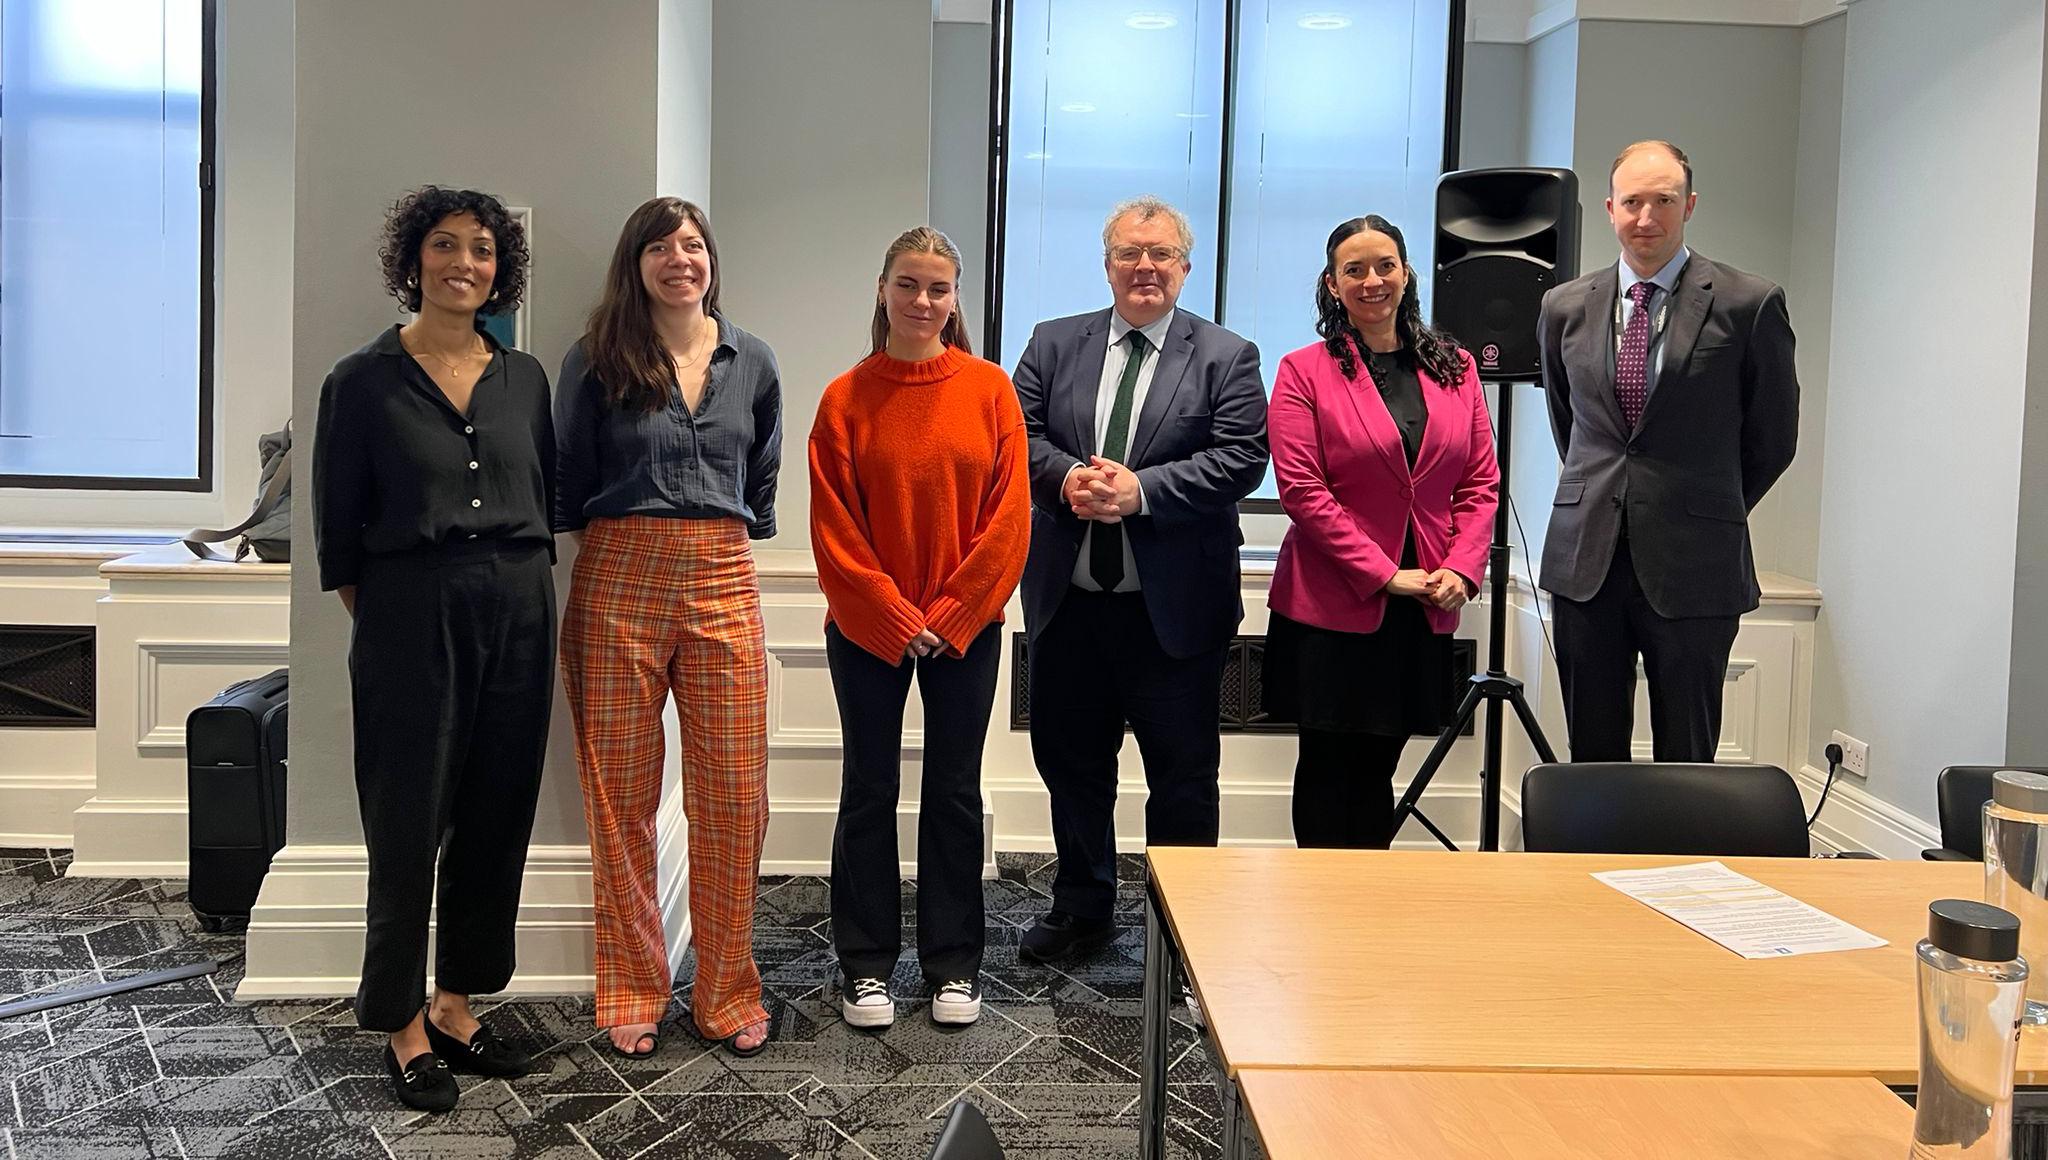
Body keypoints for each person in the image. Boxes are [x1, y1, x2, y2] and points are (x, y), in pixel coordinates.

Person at [312, 186, 553, 1112]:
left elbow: (543, 491)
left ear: (501, 270)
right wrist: (400, 621)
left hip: (521, 607)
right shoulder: (362, 381)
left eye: (482, 249)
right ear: (413, 260)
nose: (465, 263)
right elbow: (340, 542)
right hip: (411, 613)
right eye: (445, 245)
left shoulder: (524, 378)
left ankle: (457, 1004)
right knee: (406, 820)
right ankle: (401, 1022)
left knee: (498, 811)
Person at [1012, 196, 1269, 962]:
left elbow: (1242, 458)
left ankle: (1182, 932)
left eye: (1161, 254)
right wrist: (1068, 479)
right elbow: (1015, 434)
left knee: (1182, 780)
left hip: (1174, 615)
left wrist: (1142, 491)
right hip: (1070, 606)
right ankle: (1082, 907)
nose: (1145, 266)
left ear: (1185, 267)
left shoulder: (1227, 355)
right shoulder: (1052, 343)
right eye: (1130, 252)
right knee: (1072, 767)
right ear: (1108, 265)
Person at [555, 198, 781, 1060]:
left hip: (723, 571)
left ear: (711, 258)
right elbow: (568, 478)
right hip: (617, 572)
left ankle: (726, 992)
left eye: (692, 245)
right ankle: (632, 987)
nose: (679, 259)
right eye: (659, 247)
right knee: (620, 796)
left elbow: (761, 479)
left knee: (734, 795)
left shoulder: (752, 360)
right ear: (635, 263)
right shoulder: (595, 357)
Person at [809, 226, 1029, 1030]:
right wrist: (896, 618)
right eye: (908, 284)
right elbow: (834, 529)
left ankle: (953, 966)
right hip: (867, 629)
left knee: (955, 791)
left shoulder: (990, 391)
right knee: (869, 788)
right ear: (882, 289)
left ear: (955, 298)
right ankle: (866, 966)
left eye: (938, 288)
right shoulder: (844, 398)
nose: (922, 300)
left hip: (965, 630)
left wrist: (953, 612)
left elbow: (1010, 519)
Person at [1538, 140, 1799, 762]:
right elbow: (1571, 426)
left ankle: (1678, 838)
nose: (1646, 217)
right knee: (1592, 759)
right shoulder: (1563, 305)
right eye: (1632, 202)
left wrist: (1701, 505)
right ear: (1610, 208)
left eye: (1664, 200)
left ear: (1690, 205)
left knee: (1687, 760)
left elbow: (1773, 439)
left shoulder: (1748, 303)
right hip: (1586, 562)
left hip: (1696, 563)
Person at [1263, 215, 1500, 848]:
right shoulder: (1303, 370)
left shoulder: (1457, 368)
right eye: (1355, 270)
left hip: (1423, 604)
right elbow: (1302, 489)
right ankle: (1321, 899)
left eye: (1385, 265)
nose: (1373, 280)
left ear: (1405, 272)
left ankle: (1365, 898)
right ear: (1332, 284)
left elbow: (1480, 483)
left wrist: (1462, 568)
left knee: (1378, 769)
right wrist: (1384, 573)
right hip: (1331, 604)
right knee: (1327, 767)